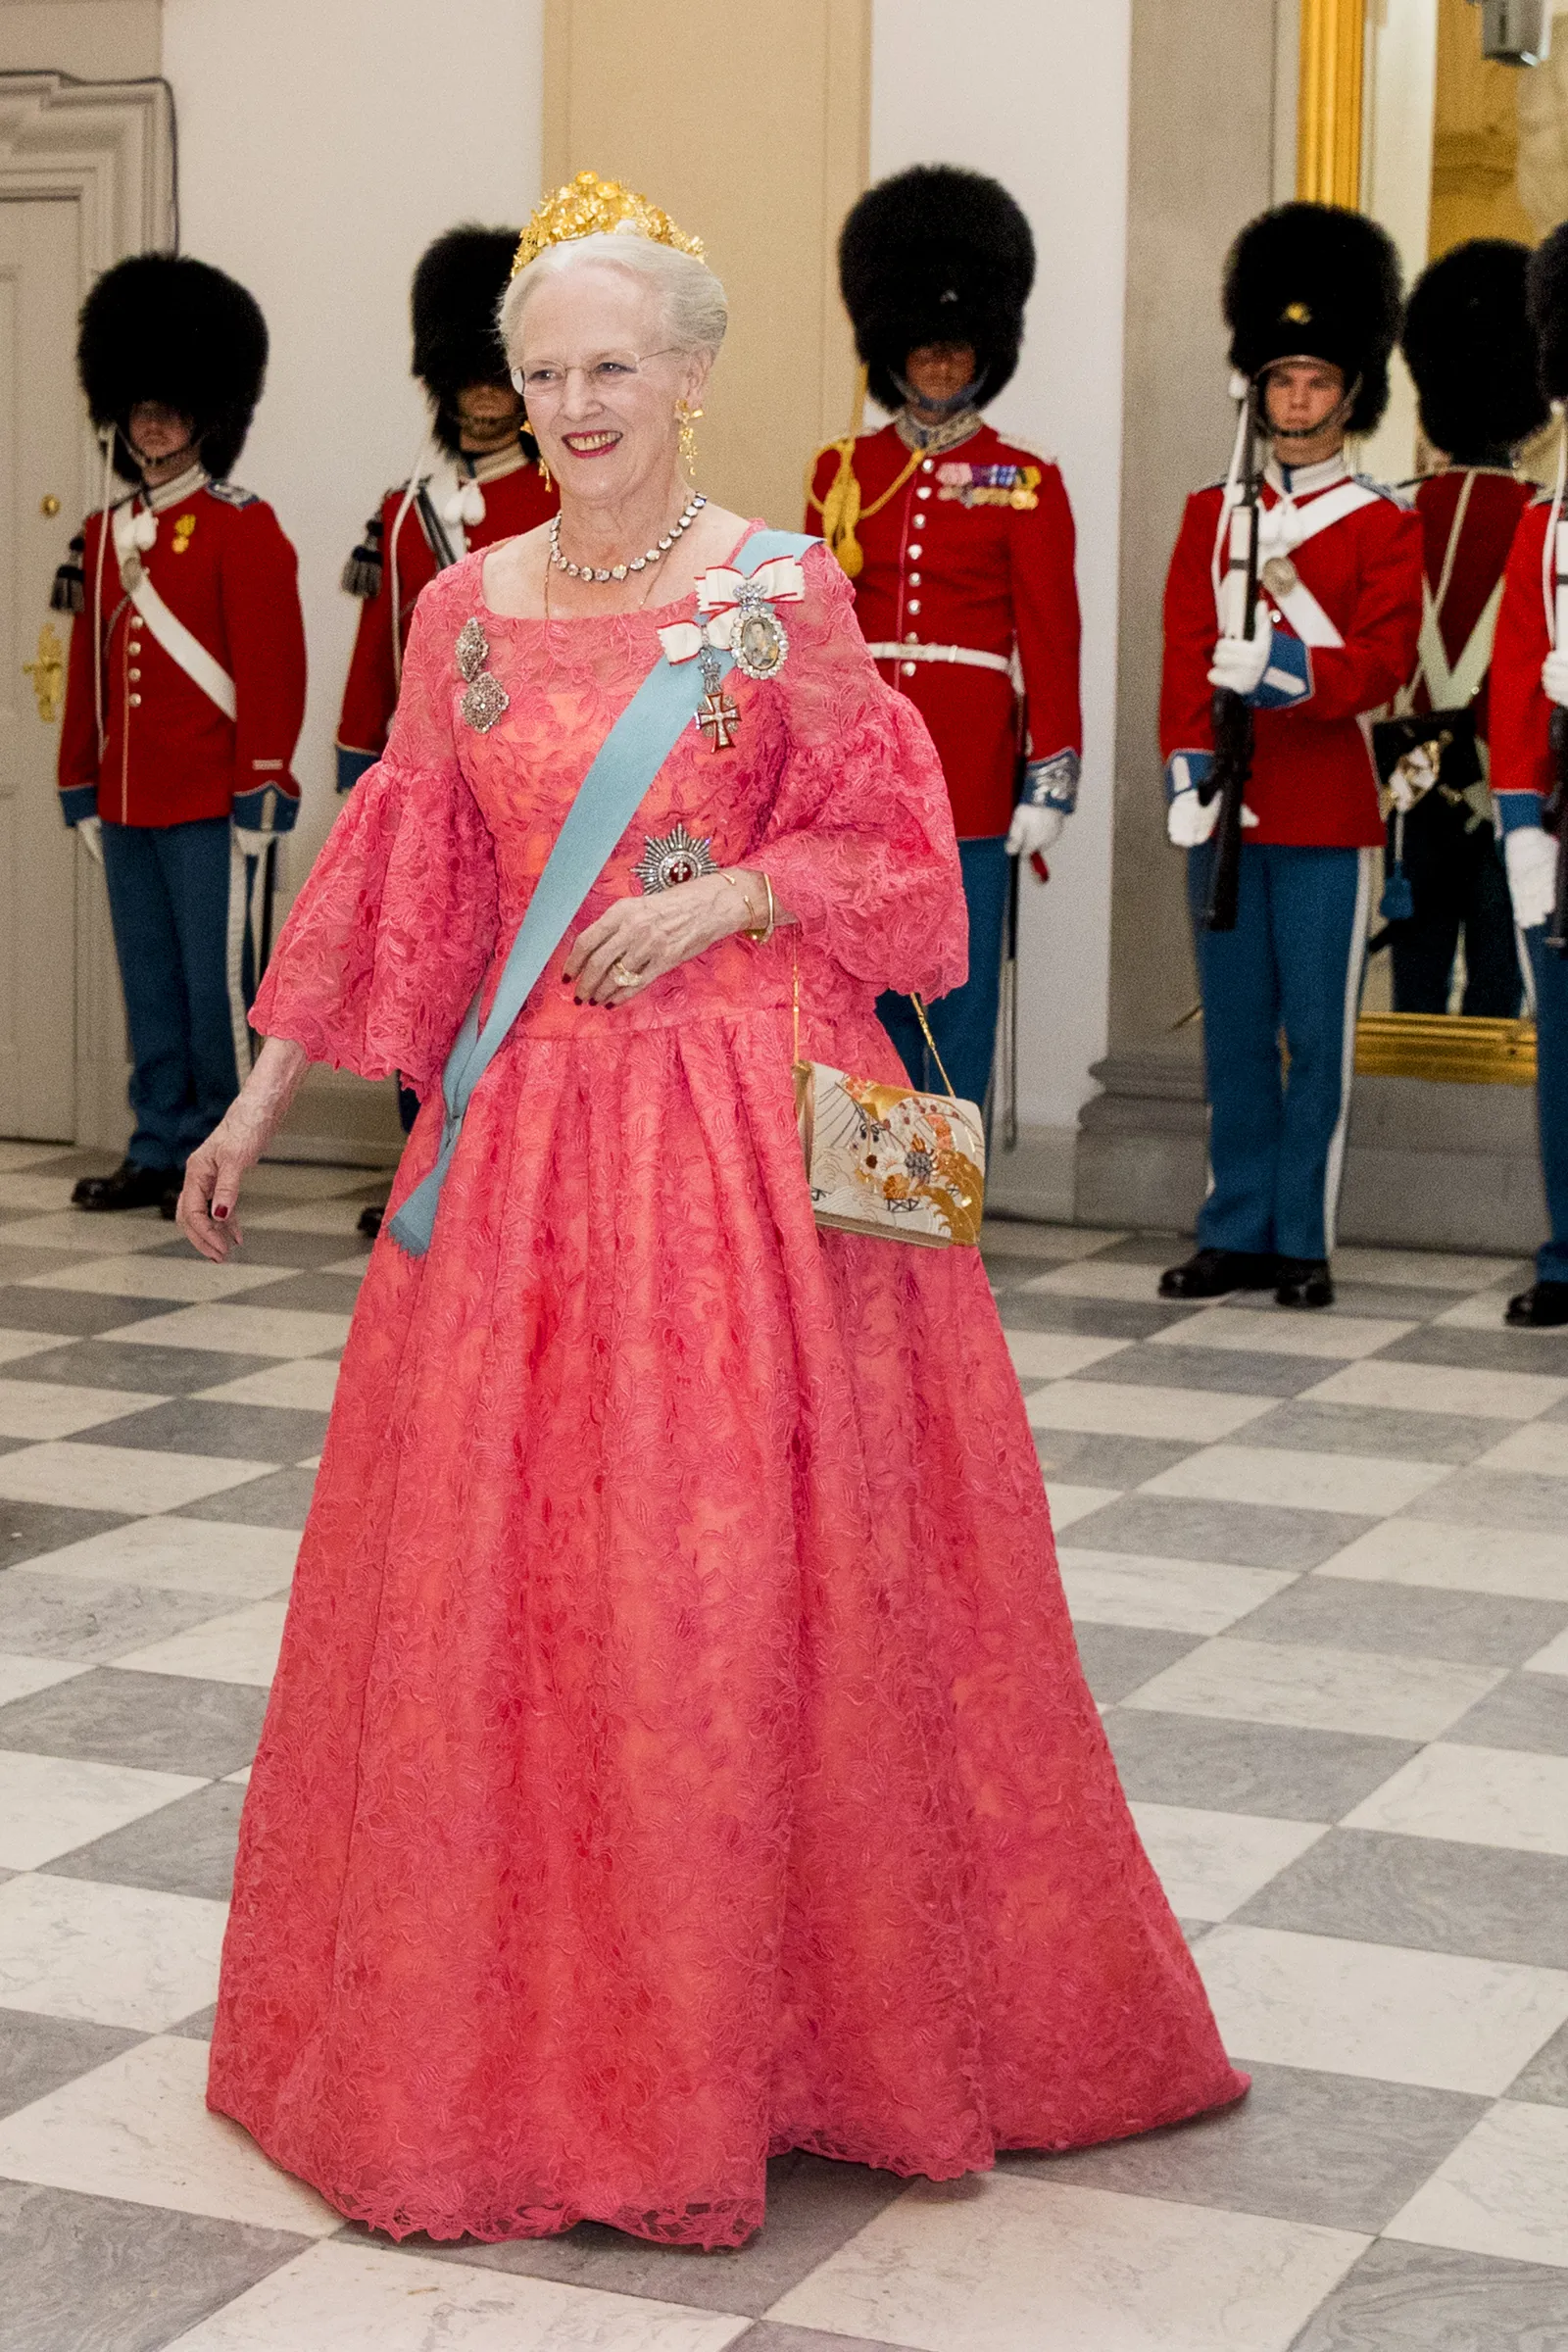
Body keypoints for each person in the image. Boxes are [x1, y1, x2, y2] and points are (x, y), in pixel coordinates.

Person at [185, 172, 1243, 2249]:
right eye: (542, 372)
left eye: (611, 366)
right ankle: (529, 2039)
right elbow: (404, 869)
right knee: (517, 1591)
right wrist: (258, 1094)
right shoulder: (464, 608)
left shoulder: (781, 590)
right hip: (519, 1160)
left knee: (729, 1577)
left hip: (740, 1151)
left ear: (688, 375)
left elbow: (897, 858)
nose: (573, 404)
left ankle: (776, 2035)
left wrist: (730, 895)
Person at [1159, 202, 1423, 1310]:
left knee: (1315, 1039)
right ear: (1257, 392)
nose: (1298, 401)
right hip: (1225, 811)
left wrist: (1280, 667)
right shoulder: (1210, 514)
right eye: (1282, 382)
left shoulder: (1382, 523)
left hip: (1324, 811)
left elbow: (1385, 666)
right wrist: (1187, 772)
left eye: (1317, 382)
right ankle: (1235, 1227)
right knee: (1233, 1033)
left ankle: (1302, 1236)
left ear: (1349, 394)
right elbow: (1183, 656)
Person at [807, 166, 1081, 1113]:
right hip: (862, 776)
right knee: (864, 1000)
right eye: (922, 345)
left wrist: (1049, 779)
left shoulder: (1026, 479)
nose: (937, 364)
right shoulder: (843, 471)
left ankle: (951, 1197)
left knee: (954, 1004)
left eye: (956, 347)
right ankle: (865, 1192)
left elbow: (1051, 640)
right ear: (893, 349)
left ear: (983, 354)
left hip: (971, 774)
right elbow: (817, 634)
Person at [53, 255, 307, 1220]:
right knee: (150, 986)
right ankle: (156, 1143)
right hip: (127, 801)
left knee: (217, 992)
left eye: (171, 410)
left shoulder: (244, 527)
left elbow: (272, 672)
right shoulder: (103, 530)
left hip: (210, 803)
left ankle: (215, 1152)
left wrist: (262, 787)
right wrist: (79, 780)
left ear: (207, 418)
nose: (154, 426)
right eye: (141, 410)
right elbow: (88, 677)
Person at [336, 224, 558, 1234]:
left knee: (508, 988)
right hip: (429, 790)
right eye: (466, 377)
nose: (483, 396)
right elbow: (377, 654)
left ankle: (491, 1170)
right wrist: (359, 772)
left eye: (497, 375)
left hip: (523, 792)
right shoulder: (404, 510)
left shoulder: (557, 496)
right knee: (419, 980)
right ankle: (423, 1163)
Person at [1384, 241, 1543, 1017]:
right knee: (1497, 992)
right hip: (1509, 783)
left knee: (1412, 990)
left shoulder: (1394, 511)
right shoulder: (1544, 518)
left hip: (1409, 785)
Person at [1487, 220, 1568, 1329]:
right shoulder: (1542, 528)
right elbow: (1513, 681)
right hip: (1561, 814)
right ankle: (1564, 1247)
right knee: (1565, 1053)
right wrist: (1519, 826)